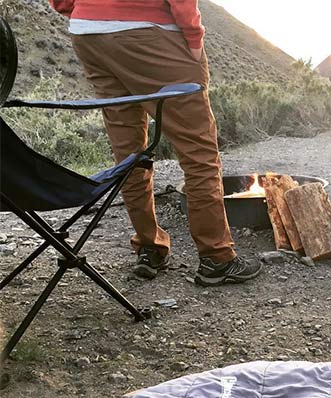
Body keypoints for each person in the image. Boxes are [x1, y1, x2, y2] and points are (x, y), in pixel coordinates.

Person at [49, 0, 262, 286]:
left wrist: (92, 13)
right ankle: (216, 257)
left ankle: (150, 247)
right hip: (148, 31)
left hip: (88, 33)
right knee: (198, 149)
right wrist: (193, 36)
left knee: (127, 150)